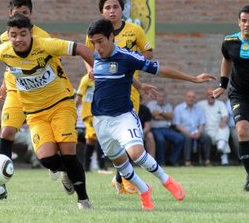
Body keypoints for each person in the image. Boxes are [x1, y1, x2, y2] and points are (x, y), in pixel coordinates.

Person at [87, 18, 215, 210]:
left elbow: (160, 70)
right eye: (93, 42)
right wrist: (138, 85)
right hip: (100, 120)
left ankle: (167, 180)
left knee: (136, 153)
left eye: (100, 41)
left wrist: (193, 79)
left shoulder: (127, 56)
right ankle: (144, 190)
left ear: (111, 37)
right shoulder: (96, 56)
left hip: (123, 117)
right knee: (119, 163)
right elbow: (115, 74)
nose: (97, 47)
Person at [0, 14, 94, 210]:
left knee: (68, 154)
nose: (18, 39)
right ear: (8, 36)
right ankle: (66, 172)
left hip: (61, 104)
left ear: (31, 33)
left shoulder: (46, 44)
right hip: (35, 113)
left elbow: (83, 49)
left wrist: (95, 69)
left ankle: (83, 200)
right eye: (13, 35)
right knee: (47, 159)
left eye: (23, 34)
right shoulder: (5, 50)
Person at [0, 0, 64, 199]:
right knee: (7, 133)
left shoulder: (43, 37)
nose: (21, 16)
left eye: (25, 13)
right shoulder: (6, 36)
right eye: (17, 13)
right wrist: (4, 84)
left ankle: (63, 168)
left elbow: (54, 65)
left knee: (53, 143)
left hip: (40, 95)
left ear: (31, 14)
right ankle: (1, 186)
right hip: (15, 92)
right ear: (10, 14)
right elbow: (10, 63)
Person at [86, 0, 154, 194]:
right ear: (101, 11)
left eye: (115, 7)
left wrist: (129, 61)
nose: (112, 11)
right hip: (106, 87)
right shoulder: (96, 31)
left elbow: (148, 54)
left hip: (129, 88)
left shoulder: (135, 30)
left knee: (128, 138)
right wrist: (89, 68)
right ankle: (122, 180)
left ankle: (123, 180)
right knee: (114, 140)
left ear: (122, 9)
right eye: (107, 7)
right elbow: (87, 54)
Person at [212, 5, 249, 191]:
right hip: (239, 94)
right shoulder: (229, 41)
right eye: (244, 21)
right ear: (238, 22)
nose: (247, 24)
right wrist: (222, 85)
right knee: (242, 130)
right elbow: (226, 60)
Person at [75, 73, 112, 174]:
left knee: (90, 140)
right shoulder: (86, 79)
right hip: (89, 114)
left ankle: (86, 167)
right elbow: (78, 97)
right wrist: (73, 113)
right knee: (99, 136)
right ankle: (101, 167)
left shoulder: (105, 77)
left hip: (101, 113)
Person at [173, 90, 212, 167]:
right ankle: (187, 161)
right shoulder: (178, 108)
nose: (191, 99)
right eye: (189, 97)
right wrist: (189, 133)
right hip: (184, 131)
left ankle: (207, 160)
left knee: (207, 138)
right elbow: (177, 125)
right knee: (188, 138)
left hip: (197, 131)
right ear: (185, 97)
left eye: (193, 97)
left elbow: (202, 123)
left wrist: (199, 132)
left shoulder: (199, 108)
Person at [147, 88, 184, 166]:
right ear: (156, 97)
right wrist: (165, 116)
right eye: (159, 96)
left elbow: (171, 116)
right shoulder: (151, 104)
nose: (161, 98)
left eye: (163, 97)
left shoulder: (168, 105)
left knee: (180, 139)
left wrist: (160, 113)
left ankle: (171, 160)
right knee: (161, 140)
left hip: (167, 129)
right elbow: (154, 116)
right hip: (155, 129)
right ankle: (161, 162)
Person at [198, 87, 230, 165]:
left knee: (225, 128)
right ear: (205, 96)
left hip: (218, 128)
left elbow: (225, 115)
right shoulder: (200, 105)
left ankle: (220, 148)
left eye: (212, 94)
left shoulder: (220, 104)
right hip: (207, 130)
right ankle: (223, 156)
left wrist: (223, 121)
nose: (211, 96)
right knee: (223, 139)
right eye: (209, 94)